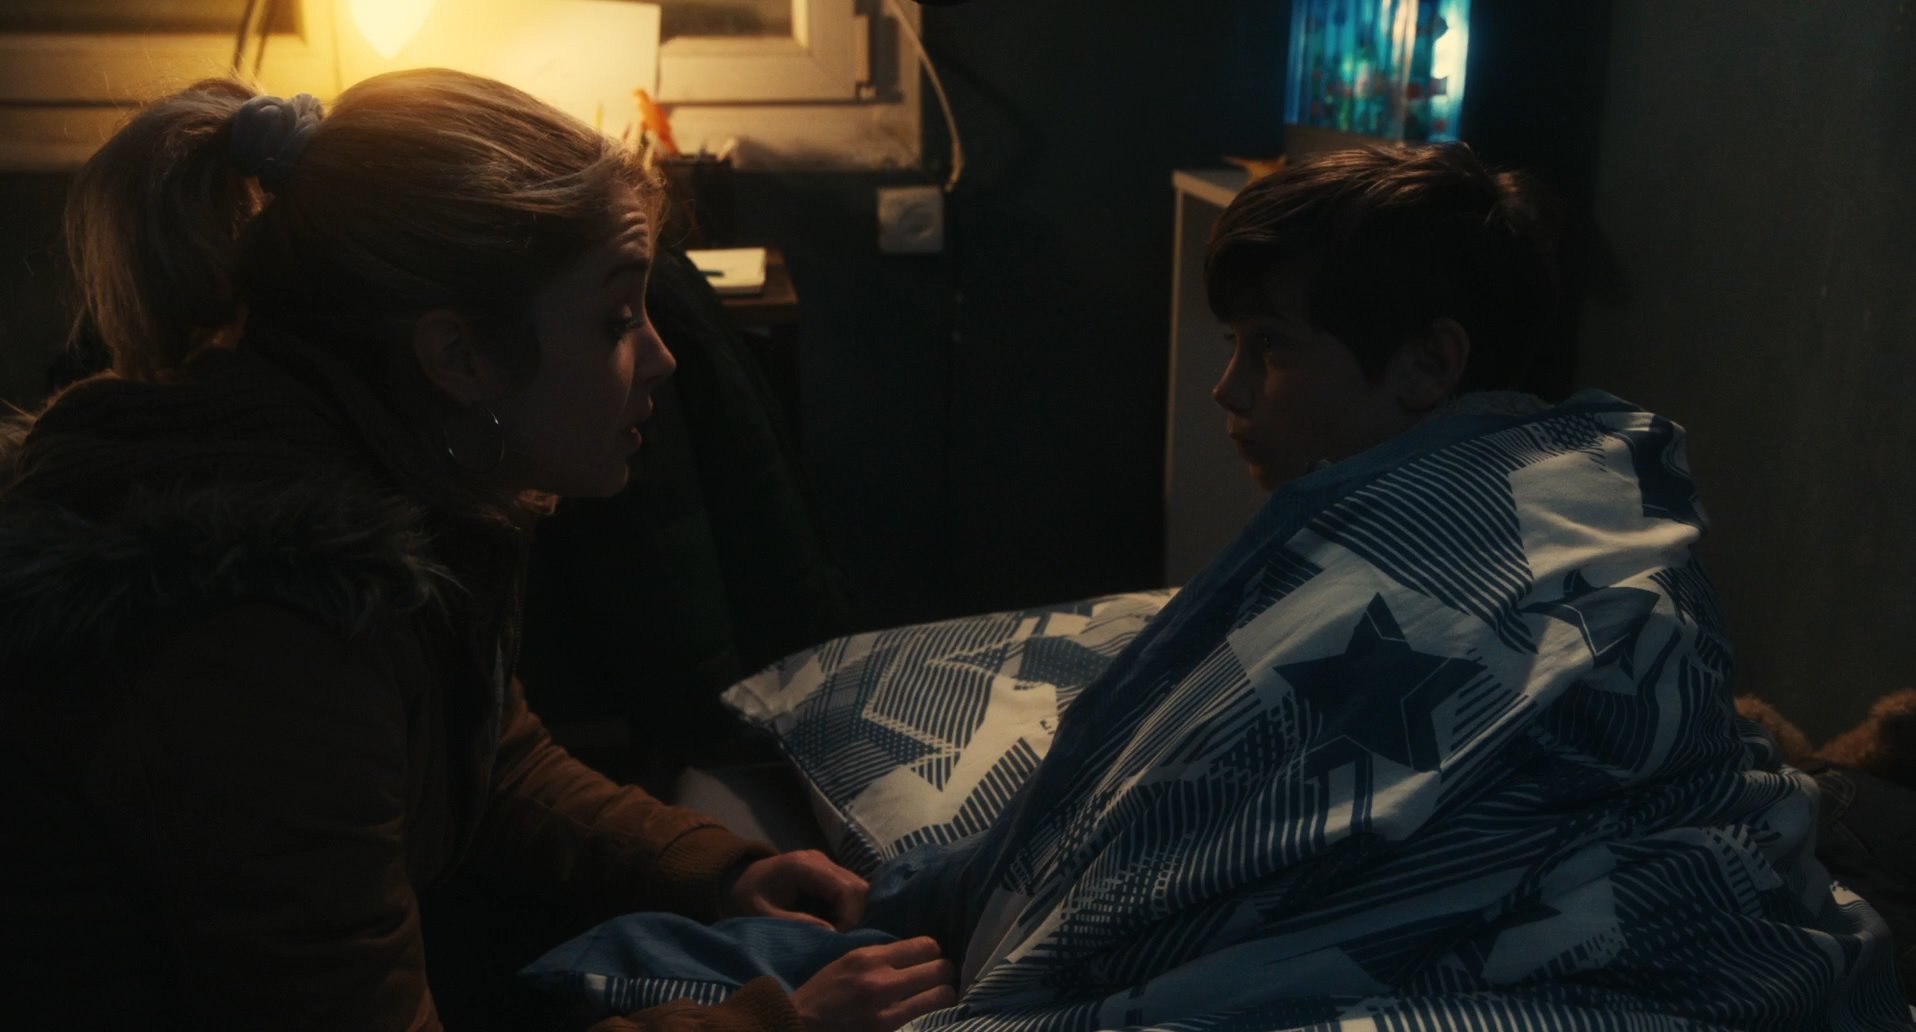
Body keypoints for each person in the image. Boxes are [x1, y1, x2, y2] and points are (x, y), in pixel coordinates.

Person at [521, 144, 1910, 1030]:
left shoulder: (1553, 523)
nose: (1228, 390)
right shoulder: (1338, 537)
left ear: (1430, 364)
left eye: (1271, 348)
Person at [0, 71, 955, 1031]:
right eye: (617, 320)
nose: (662, 358)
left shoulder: (387, 490)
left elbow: (491, 758)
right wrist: (777, 1024)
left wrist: (716, 869)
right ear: (458, 357)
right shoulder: (267, 635)